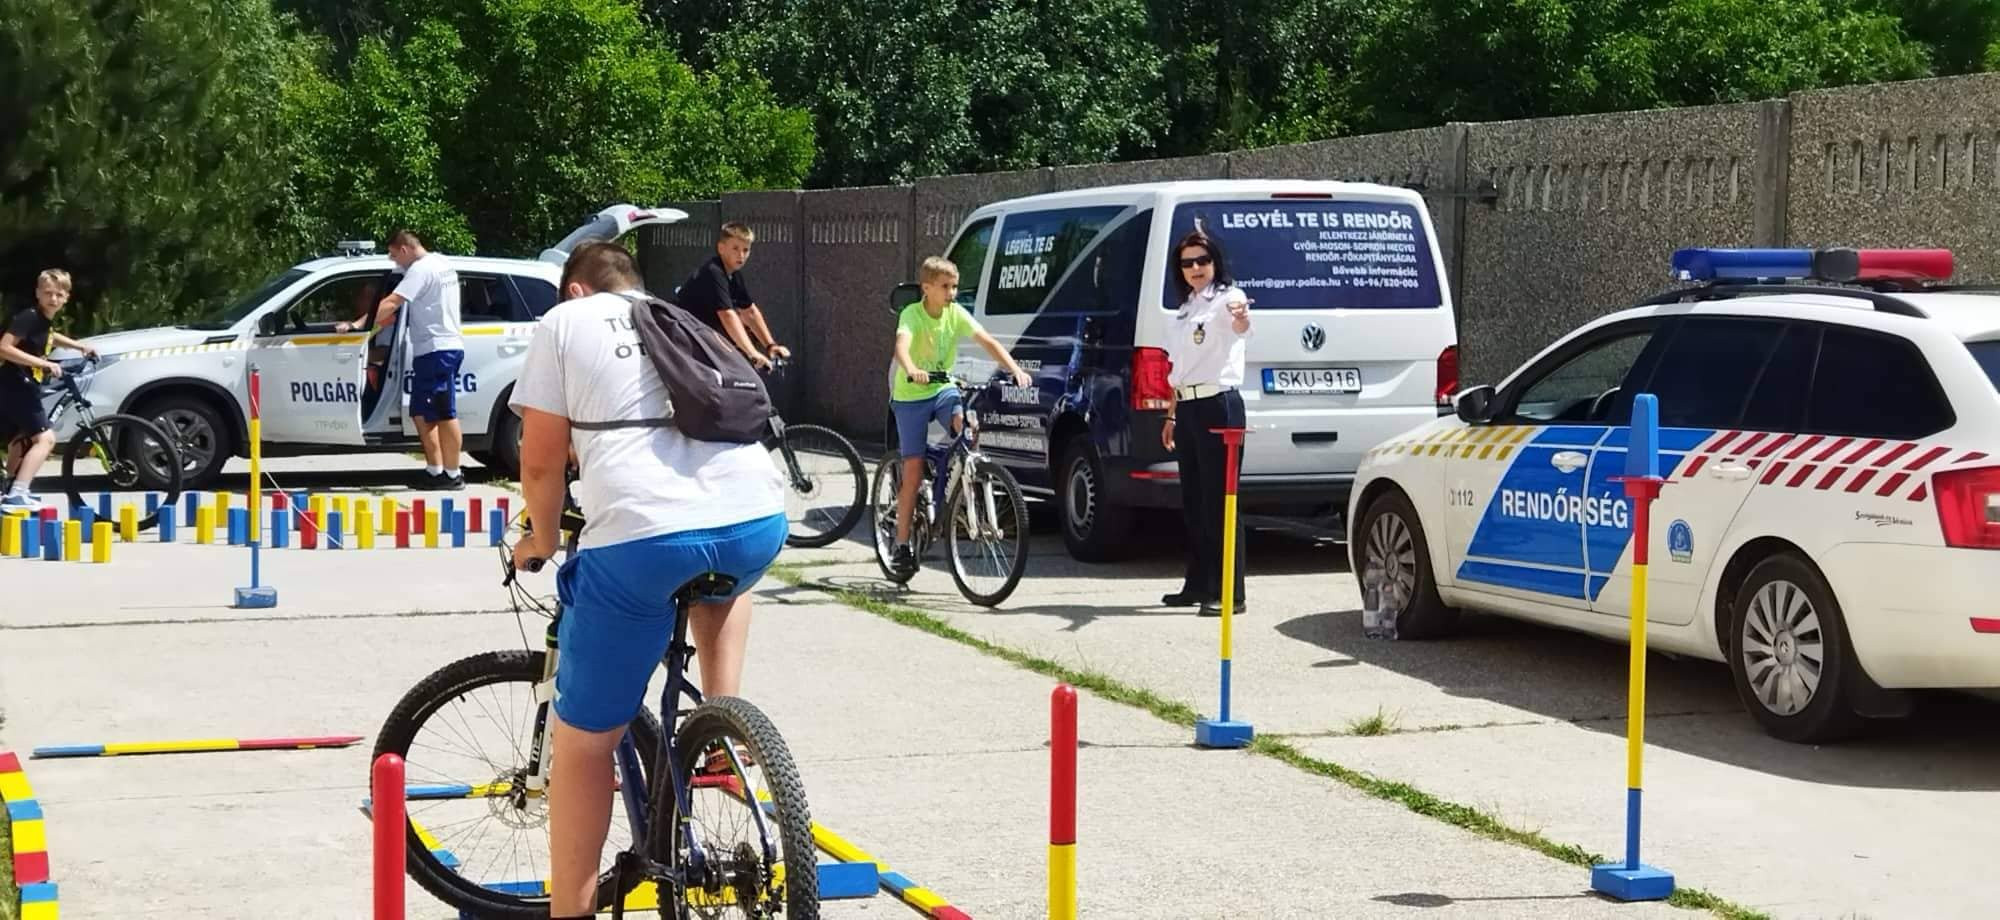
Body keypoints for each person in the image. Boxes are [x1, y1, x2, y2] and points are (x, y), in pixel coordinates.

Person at [508, 241, 787, 919]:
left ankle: (571, 912)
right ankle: (722, 725)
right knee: (723, 573)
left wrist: (539, 541)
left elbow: (540, 463)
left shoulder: (564, 322)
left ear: (576, 290)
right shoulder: (678, 316)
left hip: (641, 543)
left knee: (585, 745)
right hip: (757, 516)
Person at [888, 256, 1032, 577]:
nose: (952, 293)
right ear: (927, 288)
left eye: (954, 286)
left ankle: (964, 477)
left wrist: (1015, 369)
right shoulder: (912, 314)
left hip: (942, 389)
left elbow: (987, 341)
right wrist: (911, 368)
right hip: (911, 396)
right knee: (912, 471)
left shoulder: (955, 313)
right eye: (945, 287)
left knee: (965, 425)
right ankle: (901, 544)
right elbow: (902, 347)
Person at [1161, 231, 1252, 616]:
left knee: (1221, 502)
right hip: (1188, 407)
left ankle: (1231, 593)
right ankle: (1198, 583)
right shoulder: (1187, 307)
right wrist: (1171, 414)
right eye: (1187, 263)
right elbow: (1179, 368)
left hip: (1219, 405)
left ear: (1215, 262)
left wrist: (1242, 318)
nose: (1195, 268)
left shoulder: (1228, 298)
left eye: (1202, 260)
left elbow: (1241, 325)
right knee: (1195, 502)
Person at [337, 230, 464, 489]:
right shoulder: (442, 263)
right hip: (441, 348)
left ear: (404, 249)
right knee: (423, 412)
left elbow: (392, 303)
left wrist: (358, 325)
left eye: (394, 255)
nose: (394, 261)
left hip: (436, 350)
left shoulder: (420, 270)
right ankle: (436, 470)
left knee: (443, 413)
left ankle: (451, 475)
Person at [0, 269, 95, 510]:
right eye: (48, 293)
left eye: (59, 295)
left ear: (67, 298)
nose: (53, 299)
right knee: (46, 439)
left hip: (21, 384)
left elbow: (50, 337)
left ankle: (8, 487)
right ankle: (17, 494)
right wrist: (44, 364)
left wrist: (80, 347)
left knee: (22, 438)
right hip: (14, 383)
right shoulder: (29, 317)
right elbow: (4, 348)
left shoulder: (42, 321)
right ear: (37, 293)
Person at [675, 222, 790, 371]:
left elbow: (750, 312)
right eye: (735, 248)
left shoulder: (734, 275)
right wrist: (753, 353)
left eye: (746, 250)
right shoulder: (713, 272)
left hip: (700, 340)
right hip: (681, 340)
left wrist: (770, 346)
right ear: (721, 248)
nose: (741, 255)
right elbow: (727, 315)